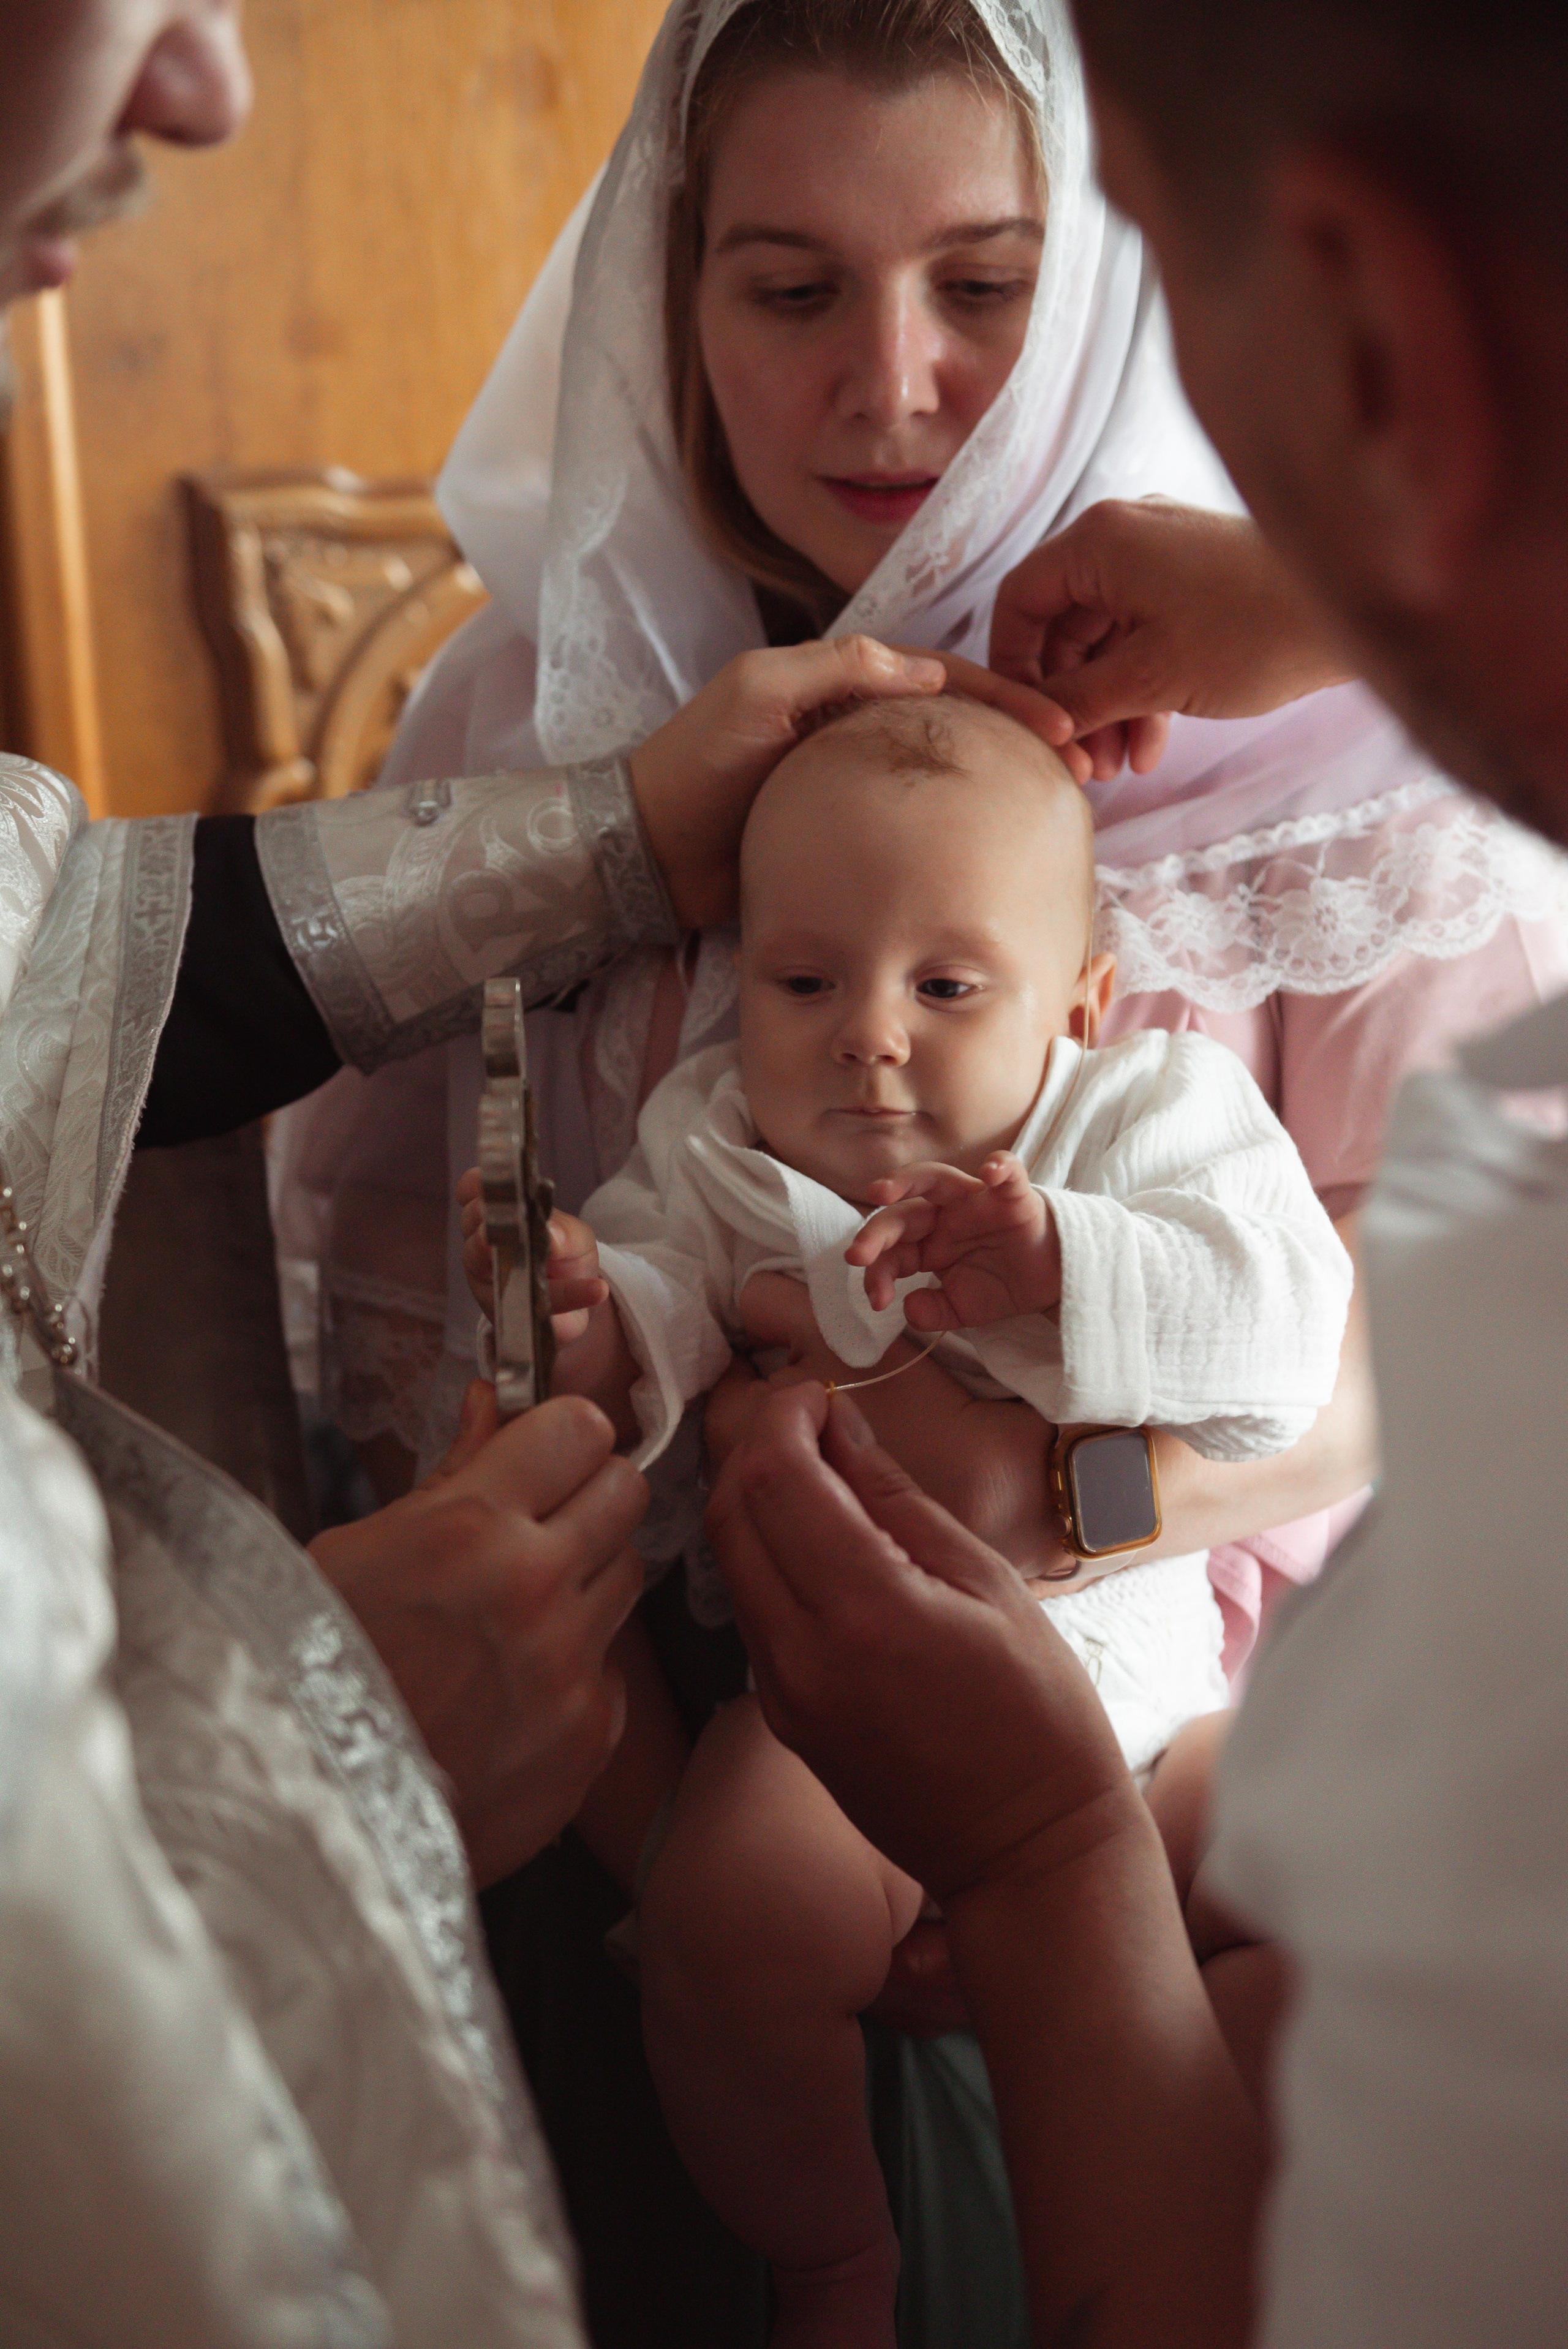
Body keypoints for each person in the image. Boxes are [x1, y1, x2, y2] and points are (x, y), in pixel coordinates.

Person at [0, 7, 1046, 2339]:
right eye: (788, 290)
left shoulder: (1256, 742)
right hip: (614, 1776)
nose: (209, 82)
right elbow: (445, 1324)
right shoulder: (518, 705)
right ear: (668, 301)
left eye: (983, 285)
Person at [704, 1, 1568, 2344]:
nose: (893, 390)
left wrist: (1047, 1506)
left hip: (1213, 1754)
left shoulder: (1359, 762)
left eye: (1019, 284)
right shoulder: (570, 745)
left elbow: (1441, 1327)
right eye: (788, 291)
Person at [477, 688, 1349, 2349]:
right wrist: (599, 1316)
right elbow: (661, 1339)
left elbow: (1287, 1341)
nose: (869, 1034)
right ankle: (833, 2258)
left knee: (1357, 1858)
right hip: (850, 1727)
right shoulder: (719, 1145)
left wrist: (1068, 1261)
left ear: (1080, 1001)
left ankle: (1236, 2199)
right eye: (807, 980)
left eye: (948, 986)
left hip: (1153, 1717)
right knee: (723, 1917)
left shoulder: (1140, 1120)